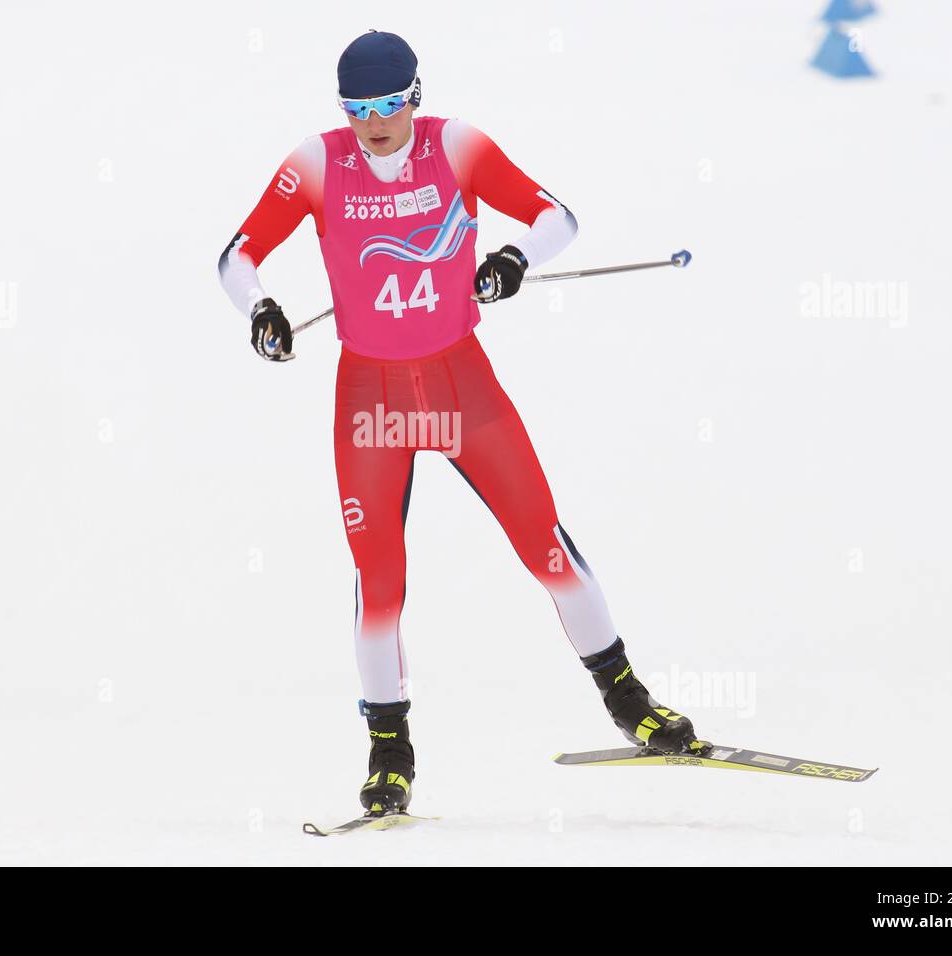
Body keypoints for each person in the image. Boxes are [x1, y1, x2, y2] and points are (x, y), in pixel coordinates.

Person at [218, 30, 704, 815]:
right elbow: (236, 256)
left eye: (387, 104)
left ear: (415, 94)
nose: (374, 122)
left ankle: (628, 700)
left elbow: (558, 217)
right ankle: (390, 751)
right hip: (370, 399)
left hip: (458, 388)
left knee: (546, 544)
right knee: (378, 580)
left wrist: (513, 258)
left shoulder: (457, 145)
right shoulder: (316, 161)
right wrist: (262, 310)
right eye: (357, 108)